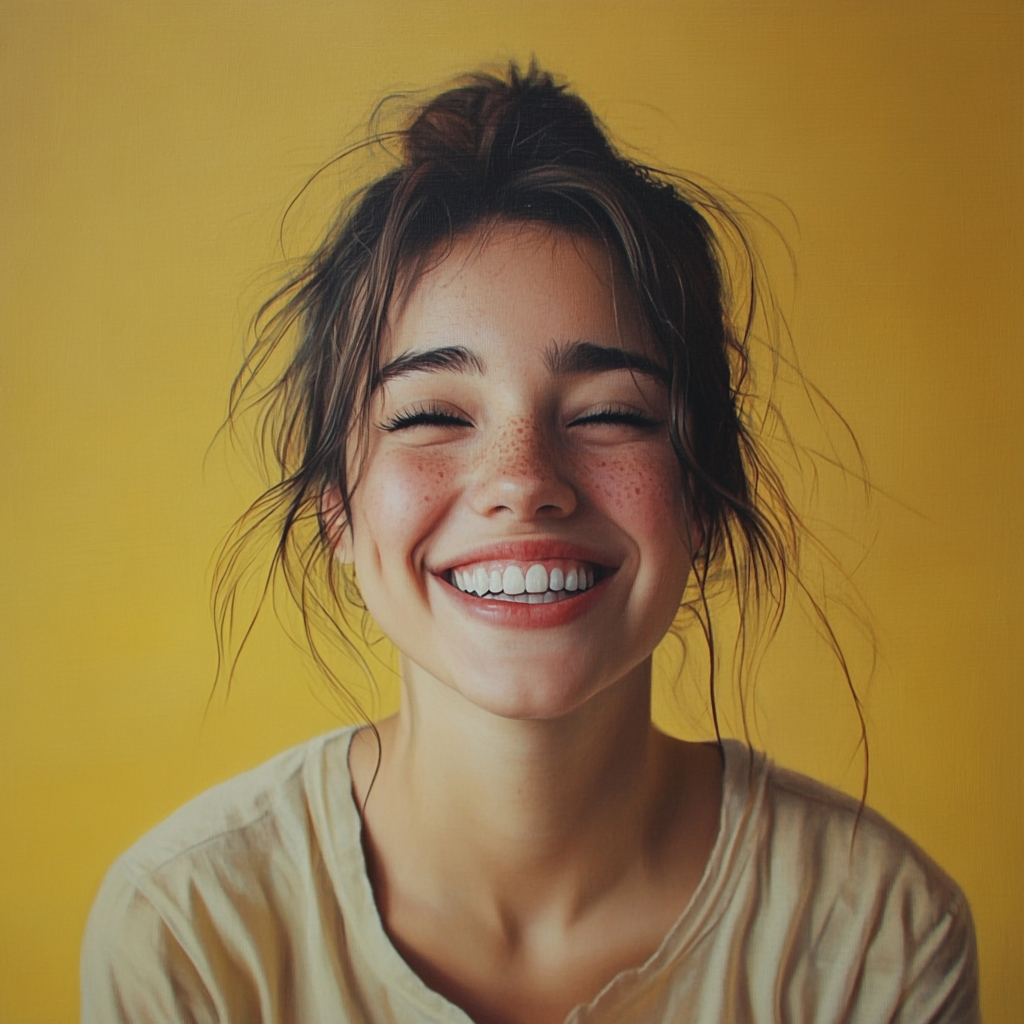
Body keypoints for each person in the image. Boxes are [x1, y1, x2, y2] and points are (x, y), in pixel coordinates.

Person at [80, 64, 979, 1024]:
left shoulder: (876, 936)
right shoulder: (189, 936)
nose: (523, 480)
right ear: (337, 502)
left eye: (609, 414)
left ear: (705, 493)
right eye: (430, 413)